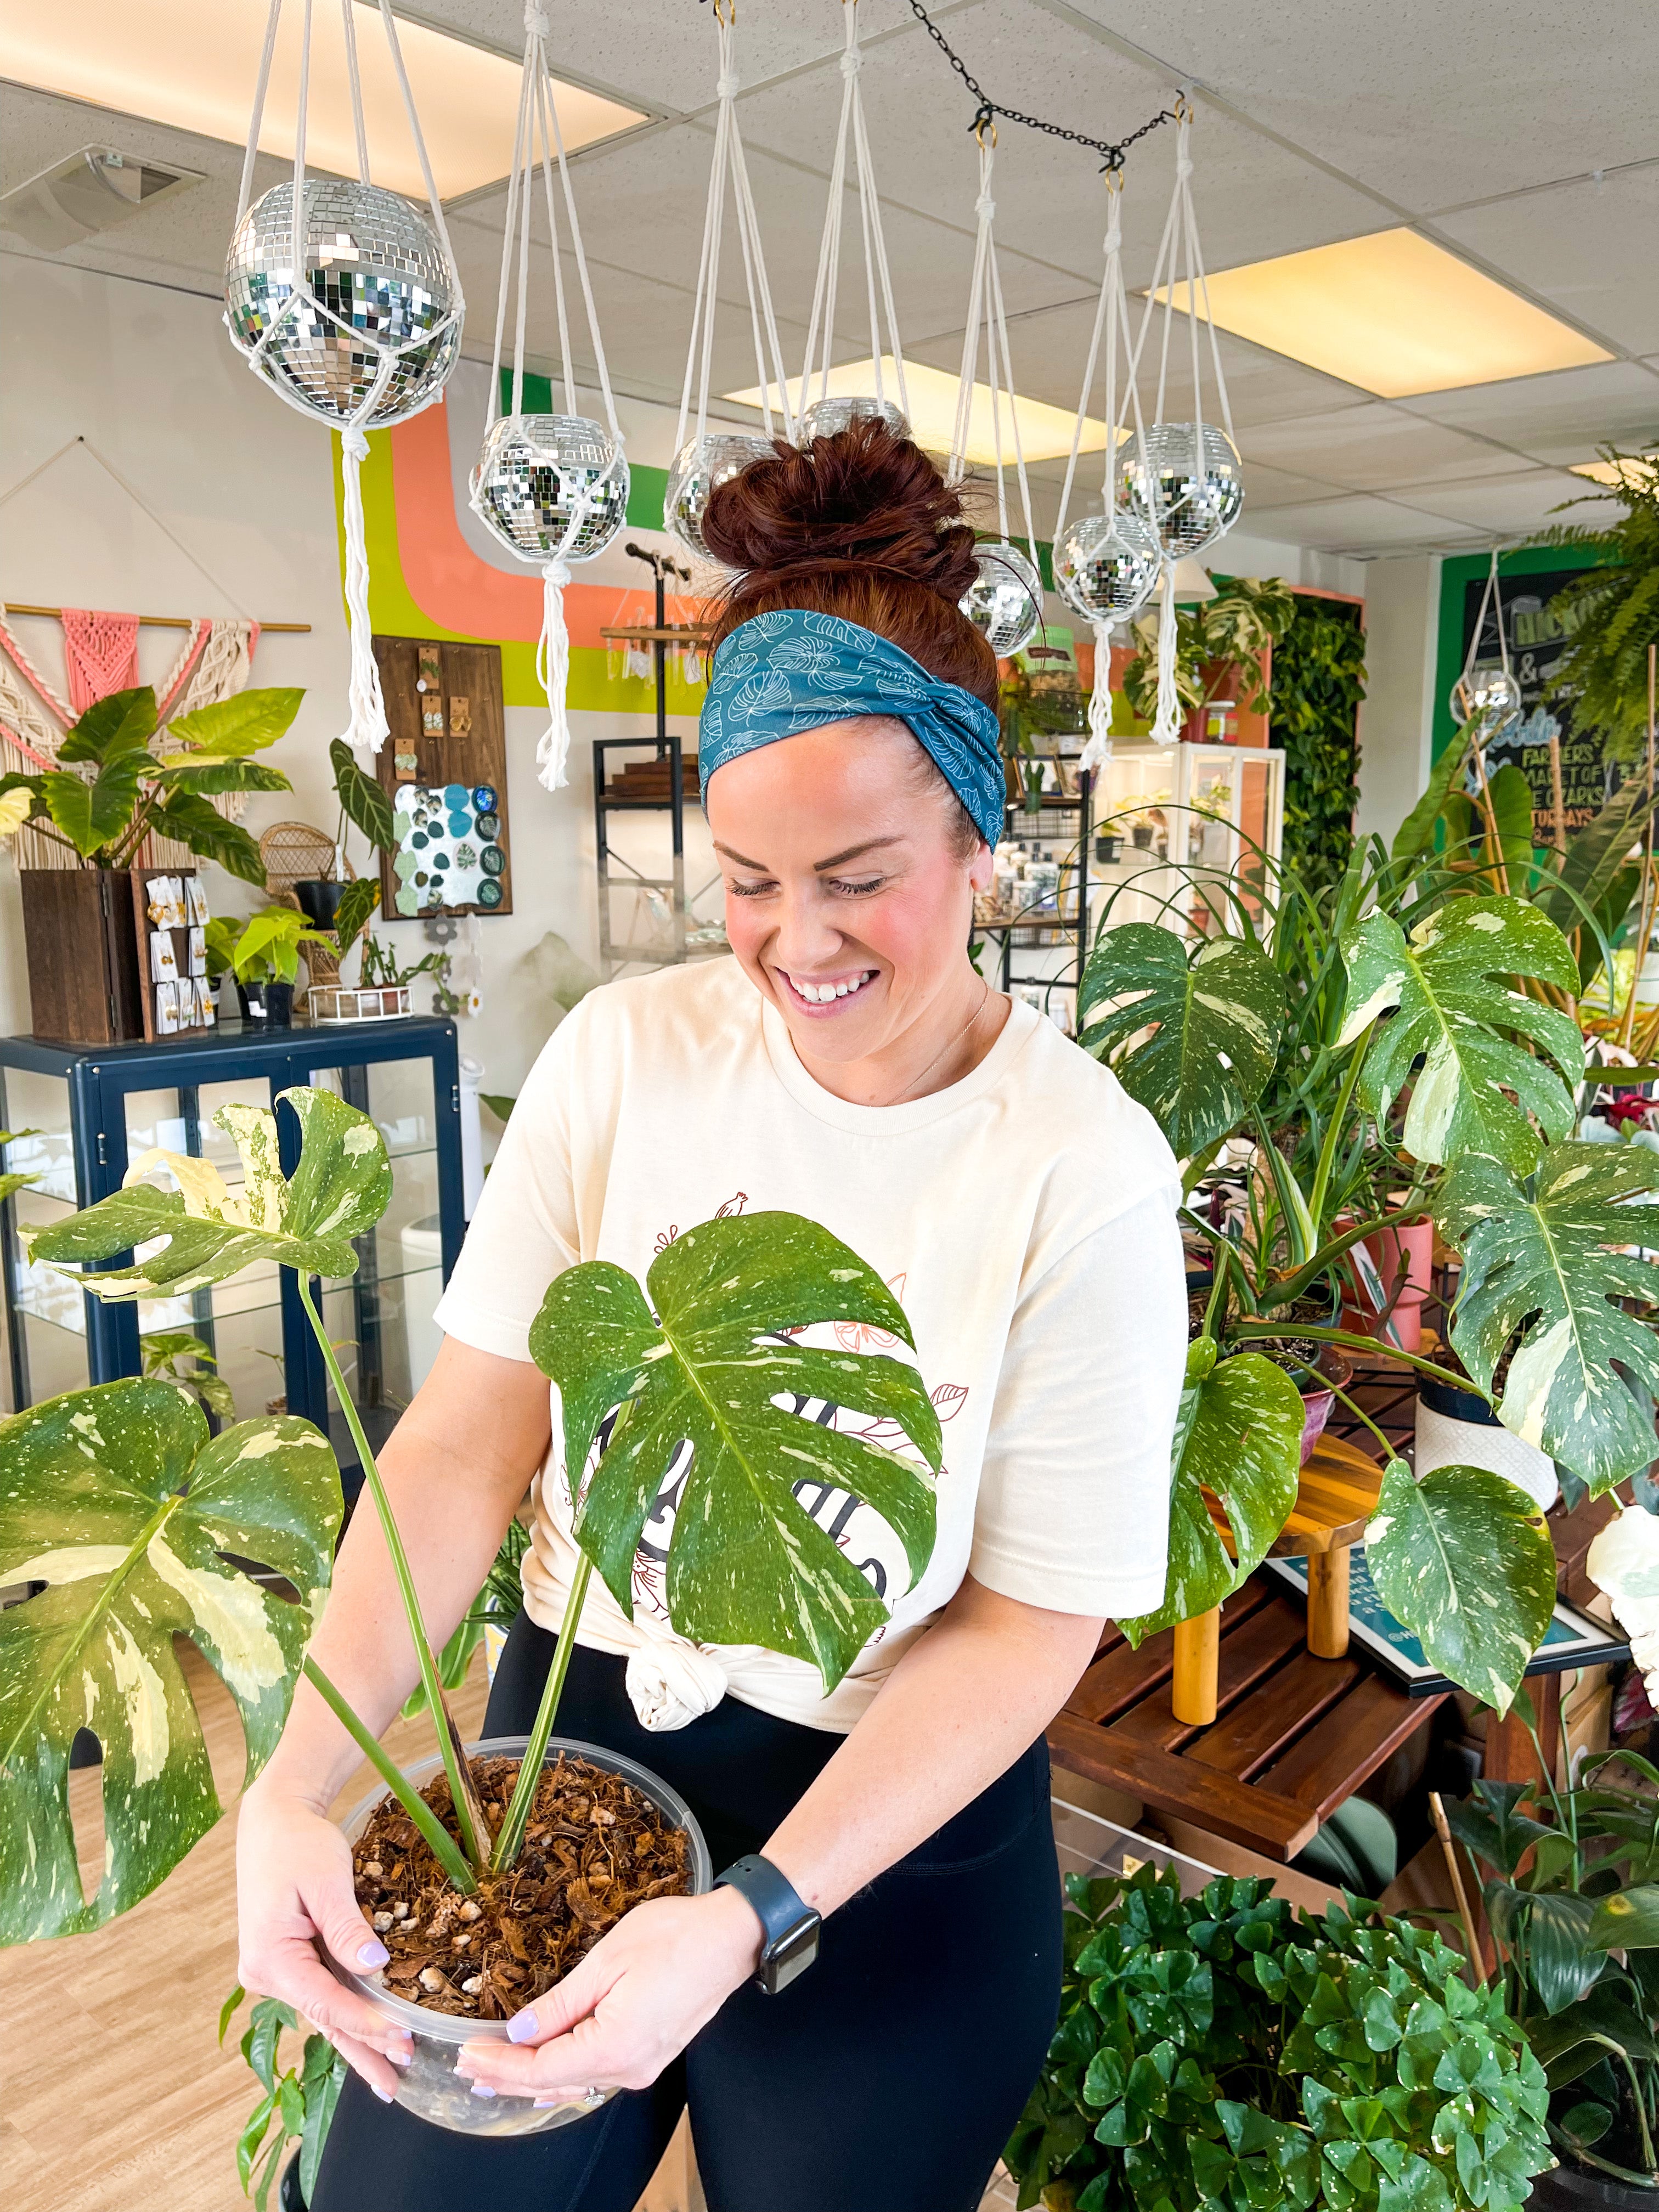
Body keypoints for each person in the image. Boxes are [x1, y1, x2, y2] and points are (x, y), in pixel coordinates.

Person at [236, 420, 1187, 2212]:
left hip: (891, 1841)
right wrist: (303, 1776)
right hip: (570, 1752)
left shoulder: (1085, 1172)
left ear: (982, 839)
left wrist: (749, 1913)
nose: (792, 945)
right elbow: (459, 1443)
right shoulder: (626, 1060)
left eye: (857, 878)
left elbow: (1031, 1621)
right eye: (747, 880)